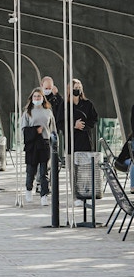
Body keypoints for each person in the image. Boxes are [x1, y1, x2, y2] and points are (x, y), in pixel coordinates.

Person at [56, 78, 98, 206]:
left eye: (79, 86)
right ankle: (76, 196)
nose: (77, 89)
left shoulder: (88, 104)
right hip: (71, 142)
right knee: (73, 170)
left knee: (84, 170)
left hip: (85, 141)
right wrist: (74, 125)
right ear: (70, 89)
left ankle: (84, 194)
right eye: (75, 87)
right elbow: (60, 123)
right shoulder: (64, 105)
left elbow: (94, 119)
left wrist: (84, 126)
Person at [21, 87, 57, 207]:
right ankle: (28, 189)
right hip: (32, 145)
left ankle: (44, 195)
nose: (37, 98)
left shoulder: (48, 111)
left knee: (44, 172)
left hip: (45, 143)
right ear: (32, 98)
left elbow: (53, 129)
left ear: (43, 98)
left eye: (39, 96)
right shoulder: (27, 112)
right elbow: (23, 129)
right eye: (35, 96)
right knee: (31, 170)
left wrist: (54, 142)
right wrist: (35, 131)